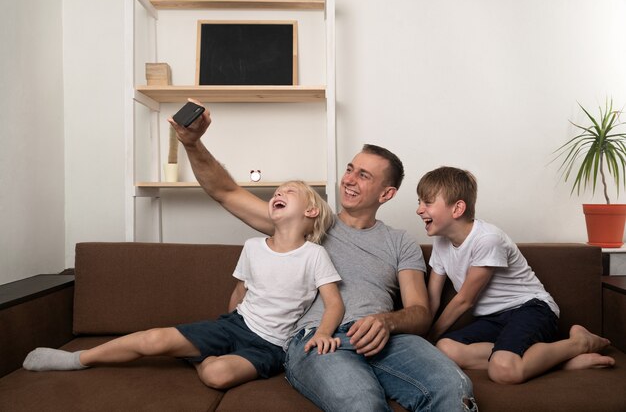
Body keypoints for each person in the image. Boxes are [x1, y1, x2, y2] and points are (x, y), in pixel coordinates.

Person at [168, 100, 476, 412]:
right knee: (362, 404)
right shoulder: (307, 221)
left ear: (386, 194)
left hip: (387, 339)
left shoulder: (400, 242)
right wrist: (192, 143)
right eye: (349, 169)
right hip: (316, 339)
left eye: (364, 175)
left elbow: (420, 311)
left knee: (455, 387)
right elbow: (226, 192)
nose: (349, 179)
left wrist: (386, 321)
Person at [23, 180, 345, 390]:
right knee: (154, 339)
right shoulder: (252, 246)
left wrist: (322, 333)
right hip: (235, 325)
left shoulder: (314, 255)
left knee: (216, 375)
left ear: (311, 210)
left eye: (289, 191)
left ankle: (198, 356)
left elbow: (334, 303)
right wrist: (225, 327)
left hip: (271, 345)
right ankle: (78, 359)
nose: (278, 193)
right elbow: (238, 292)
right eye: (276, 192)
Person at [416, 166, 616, 384]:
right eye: (419, 202)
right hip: (494, 319)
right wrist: (423, 339)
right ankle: (555, 361)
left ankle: (580, 343)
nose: (419, 209)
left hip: (531, 309)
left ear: (457, 209)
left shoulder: (487, 239)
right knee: (444, 348)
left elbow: (465, 300)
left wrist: (429, 337)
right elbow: (432, 299)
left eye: (427, 202)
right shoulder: (441, 241)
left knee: (503, 371)